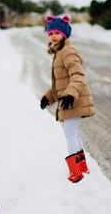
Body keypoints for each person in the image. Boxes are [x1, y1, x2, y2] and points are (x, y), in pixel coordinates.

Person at [40, 15, 95, 183]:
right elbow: (59, 85)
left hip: (74, 98)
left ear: (64, 34)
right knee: (72, 133)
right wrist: (48, 98)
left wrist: (71, 94)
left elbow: (77, 75)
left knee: (70, 133)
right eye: (50, 34)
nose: (53, 36)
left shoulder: (68, 51)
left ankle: (76, 172)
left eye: (57, 33)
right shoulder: (58, 53)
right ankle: (82, 167)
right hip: (68, 99)